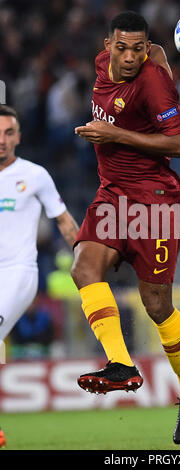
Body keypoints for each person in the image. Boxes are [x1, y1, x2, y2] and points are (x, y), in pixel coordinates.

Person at [71, 11, 180, 445]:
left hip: (154, 201)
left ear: (144, 47)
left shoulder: (150, 80)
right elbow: (164, 54)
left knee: (156, 305)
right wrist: (168, 113)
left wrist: (118, 133)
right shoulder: (102, 65)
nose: (130, 57)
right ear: (107, 43)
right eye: (121, 47)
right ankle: (120, 364)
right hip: (113, 193)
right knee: (82, 268)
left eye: (138, 48)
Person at [0, 104, 79, 342]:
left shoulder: (34, 175)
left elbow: (64, 222)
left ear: (18, 137)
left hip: (18, 271)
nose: (2, 140)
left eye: (8, 133)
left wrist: (86, 263)